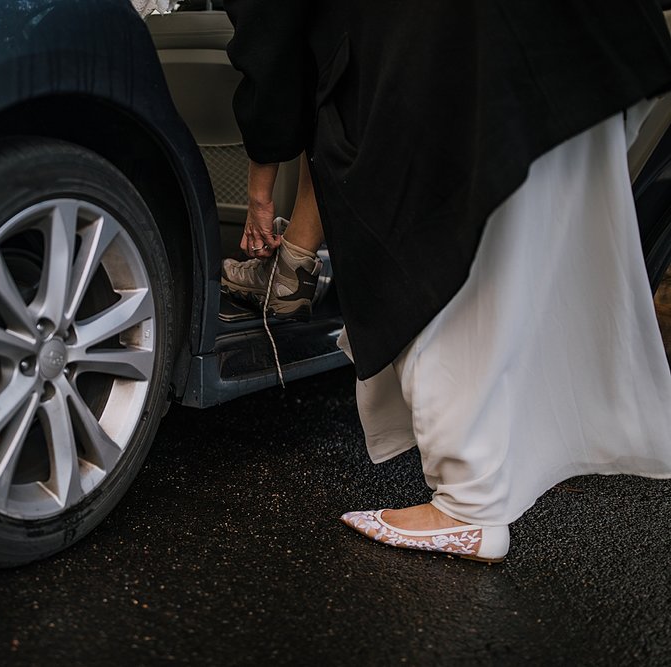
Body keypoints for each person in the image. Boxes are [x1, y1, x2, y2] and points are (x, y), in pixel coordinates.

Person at [221, 0, 671, 562]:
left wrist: (261, 177)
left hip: (456, 42)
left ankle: (469, 508)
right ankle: (524, 462)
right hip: (587, 38)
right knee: (531, 257)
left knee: (440, 267)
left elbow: (271, 32)